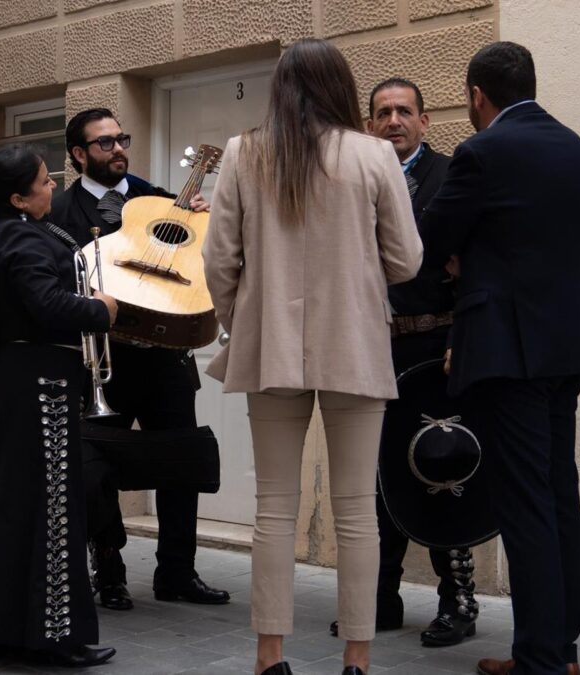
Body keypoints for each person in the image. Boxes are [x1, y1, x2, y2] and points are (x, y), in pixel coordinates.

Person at [202, 39, 423, 675]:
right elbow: (407, 259)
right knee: (357, 510)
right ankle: (357, 659)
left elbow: (219, 261)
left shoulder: (247, 152)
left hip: (270, 346)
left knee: (274, 507)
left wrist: (240, 321)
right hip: (354, 344)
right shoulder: (374, 154)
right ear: (343, 88)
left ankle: (269, 659)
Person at [418, 42, 580, 675]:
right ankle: (563, 651)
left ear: (476, 95)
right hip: (565, 344)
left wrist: (460, 254)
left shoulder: (481, 150)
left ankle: (540, 661)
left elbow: (430, 240)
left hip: (509, 350)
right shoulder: (571, 143)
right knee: (558, 496)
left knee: (525, 505)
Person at [48, 108, 231, 612]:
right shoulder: (60, 215)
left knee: (181, 465)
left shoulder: (159, 200)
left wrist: (206, 219)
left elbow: (202, 263)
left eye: (121, 138)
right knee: (97, 472)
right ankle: (109, 571)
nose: (118, 148)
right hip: (101, 364)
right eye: (104, 143)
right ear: (80, 155)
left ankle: (177, 572)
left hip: (166, 358)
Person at [0, 145, 119, 669]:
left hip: (18, 383)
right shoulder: (19, 235)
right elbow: (45, 304)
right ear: (18, 198)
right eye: (45, 182)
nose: (53, 188)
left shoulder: (0, 231)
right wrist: (101, 310)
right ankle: (53, 638)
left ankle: (9, 634)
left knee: (15, 508)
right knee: (53, 510)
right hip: (40, 386)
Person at [326, 77, 480, 648]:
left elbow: (475, 264)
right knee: (376, 477)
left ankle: (458, 602)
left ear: (424, 121)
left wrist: (461, 339)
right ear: (369, 125)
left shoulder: (450, 176)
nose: (393, 121)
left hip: (436, 348)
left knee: (443, 470)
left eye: (404, 112)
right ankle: (378, 600)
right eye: (383, 112)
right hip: (371, 348)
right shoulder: (355, 179)